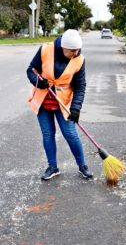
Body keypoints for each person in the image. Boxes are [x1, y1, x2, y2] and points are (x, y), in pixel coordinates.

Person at [27, 29, 93, 180]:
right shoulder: (46, 49)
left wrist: (76, 108)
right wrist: (38, 81)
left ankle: (82, 166)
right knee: (48, 134)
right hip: (43, 101)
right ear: (63, 47)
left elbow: (80, 86)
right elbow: (31, 70)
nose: (75, 53)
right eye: (71, 51)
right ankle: (52, 167)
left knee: (70, 134)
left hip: (63, 103)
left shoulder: (79, 59)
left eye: (77, 50)